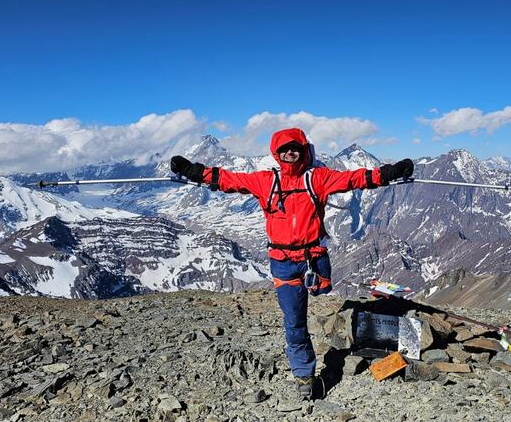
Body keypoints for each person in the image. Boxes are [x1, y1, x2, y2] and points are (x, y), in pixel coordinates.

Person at [170, 127, 413, 400]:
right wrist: (193, 171)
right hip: (283, 263)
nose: (290, 153)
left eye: (295, 148)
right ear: (276, 153)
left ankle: (322, 311)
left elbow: (354, 179)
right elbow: (229, 180)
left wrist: (388, 173)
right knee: (294, 322)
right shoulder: (266, 181)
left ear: (303, 150)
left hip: (313, 259)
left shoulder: (317, 178)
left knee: (323, 291)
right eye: (284, 149)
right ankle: (304, 378)